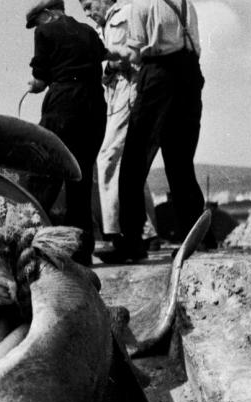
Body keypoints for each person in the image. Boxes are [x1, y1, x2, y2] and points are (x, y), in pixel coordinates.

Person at [101, 0, 205, 263]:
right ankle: (196, 237)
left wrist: (110, 58)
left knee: (134, 162)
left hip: (159, 75)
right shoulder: (186, 4)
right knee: (180, 163)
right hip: (190, 75)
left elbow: (134, 54)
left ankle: (132, 242)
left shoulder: (141, 4)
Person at [26, 0, 107, 264]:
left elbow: (39, 80)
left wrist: (34, 85)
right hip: (95, 105)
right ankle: (82, 253)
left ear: (48, 14)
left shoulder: (45, 32)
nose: (36, 27)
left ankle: (24, 242)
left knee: (44, 173)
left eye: (36, 21)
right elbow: (102, 56)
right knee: (80, 180)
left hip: (64, 104)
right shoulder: (88, 31)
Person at [82, 0, 161, 253]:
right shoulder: (100, 29)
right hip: (114, 93)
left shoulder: (128, 13)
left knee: (109, 158)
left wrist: (120, 64)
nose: (87, 12)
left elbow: (140, 51)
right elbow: (102, 66)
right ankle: (145, 232)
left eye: (89, 4)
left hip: (130, 89)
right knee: (128, 166)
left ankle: (116, 232)